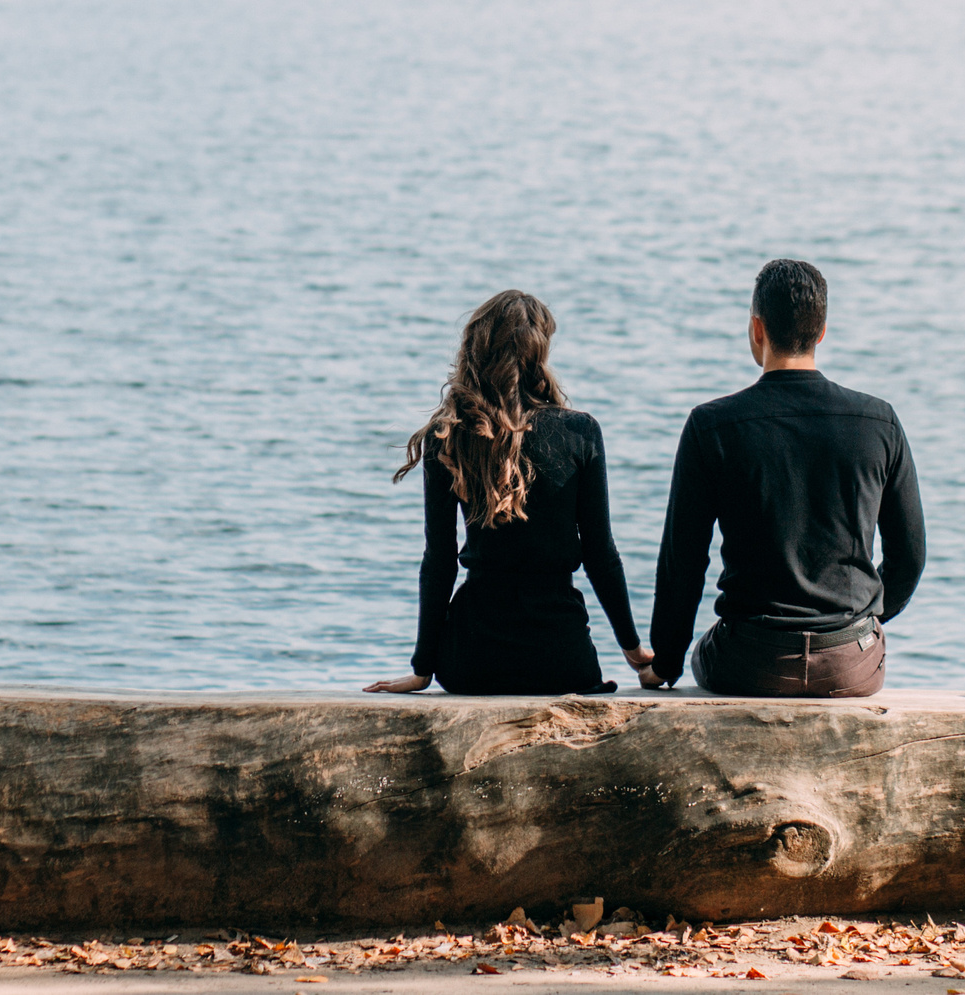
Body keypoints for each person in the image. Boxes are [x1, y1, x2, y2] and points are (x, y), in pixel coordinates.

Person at [643, 258, 925, 697]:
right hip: (851, 663)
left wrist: (666, 662)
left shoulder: (711, 425)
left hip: (750, 661)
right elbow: (910, 557)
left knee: (708, 649)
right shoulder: (879, 421)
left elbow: (684, 562)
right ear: (822, 331)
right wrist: (865, 624)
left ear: (757, 329)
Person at [366, 290, 653, 696]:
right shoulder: (580, 431)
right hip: (561, 659)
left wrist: (422, 668)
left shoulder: (448, 435)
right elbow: (600, 554)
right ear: (541, 352)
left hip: (470, 662)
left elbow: (440, 560)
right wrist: (633, 648)